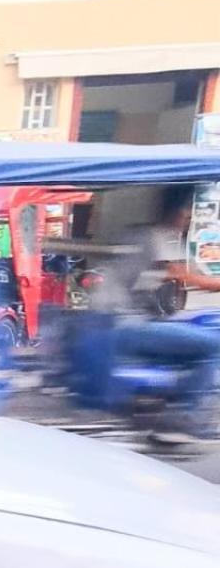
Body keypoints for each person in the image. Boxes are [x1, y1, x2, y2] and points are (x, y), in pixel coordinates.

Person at [90, 185, 220, 435]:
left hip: (125, 321)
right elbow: (183, 275)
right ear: (176, 211)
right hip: (126, 324)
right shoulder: (157, 237)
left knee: (197, 328)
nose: (189, 218)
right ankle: (184, 413)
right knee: (214, 344)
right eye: (187, 212)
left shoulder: (152, 236)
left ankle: (167, 400)